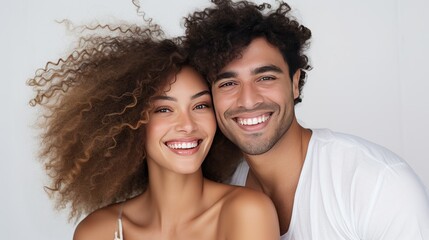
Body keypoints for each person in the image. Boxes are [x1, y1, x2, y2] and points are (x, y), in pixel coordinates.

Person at [183, 0, 429, 239]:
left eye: (265, 78)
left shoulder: (377, 184)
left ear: (294, 83)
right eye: (228, 83)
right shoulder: (219, 187)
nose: (248, 100)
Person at [27, 24, 280, 239]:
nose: (188, 125)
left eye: (201, 105)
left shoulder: (246, 212)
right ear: (129, 124)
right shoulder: (97, 231)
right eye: (163, 110)